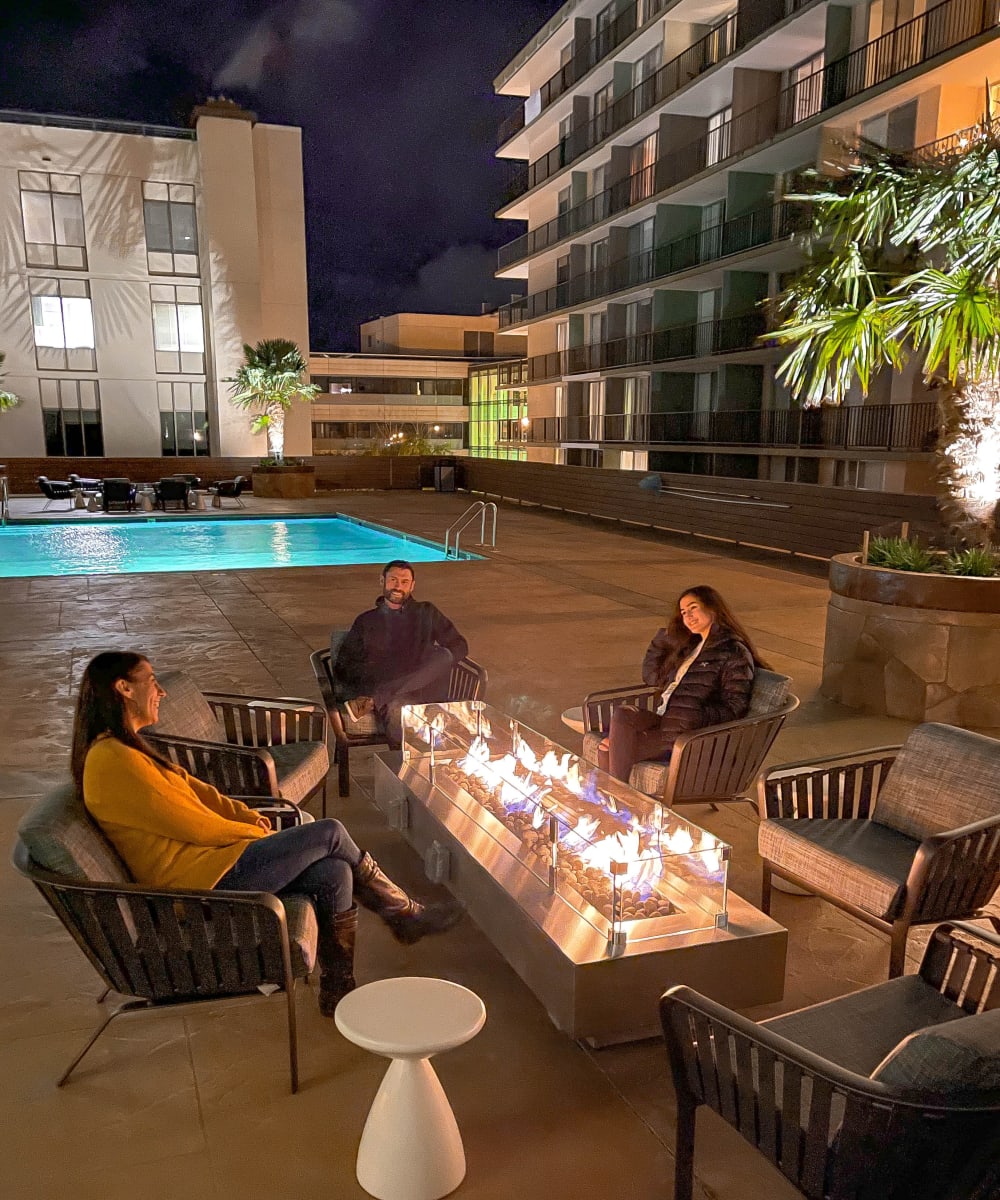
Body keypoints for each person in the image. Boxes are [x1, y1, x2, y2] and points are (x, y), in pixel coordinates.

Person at [71, 651, 464, 1017]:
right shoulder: (111, 761)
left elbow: (200, 793)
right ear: (123, 688)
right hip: (196, 888)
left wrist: (246, 815)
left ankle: (339, 989)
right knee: (329, 832)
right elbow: (192, 823)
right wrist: (251, 831)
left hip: (213, 867)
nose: (161, 691)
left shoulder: (128, 749)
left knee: (335, 873)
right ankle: (404, 914)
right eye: (151, 681)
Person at [597, 586, 767, 783]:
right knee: (623, 714)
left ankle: (615, 803)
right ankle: (616, 803)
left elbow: (736, 706)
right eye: (683, 612)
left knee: (608, 749)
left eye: (693, 608)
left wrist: (695, 715)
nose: (688, 616)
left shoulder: (733, 651)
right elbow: (652, 677)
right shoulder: (691, 647)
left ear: (713, 608)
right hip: (667, 723)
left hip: (689, 737)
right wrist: (663, 639)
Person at [335, 559, 469, 748]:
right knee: (399, 710)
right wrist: (369, 681)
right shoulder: (366, 621)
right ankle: (403, 772)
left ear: (412, 585)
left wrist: (435, 660)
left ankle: (375, 700)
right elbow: (344, 665)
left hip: (425, 689)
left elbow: (460, 646)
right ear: (382, 581)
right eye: (393, 580)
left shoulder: (426, 612)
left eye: (404, 582)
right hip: (395, 696)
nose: (398, 586)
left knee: (444, 656)